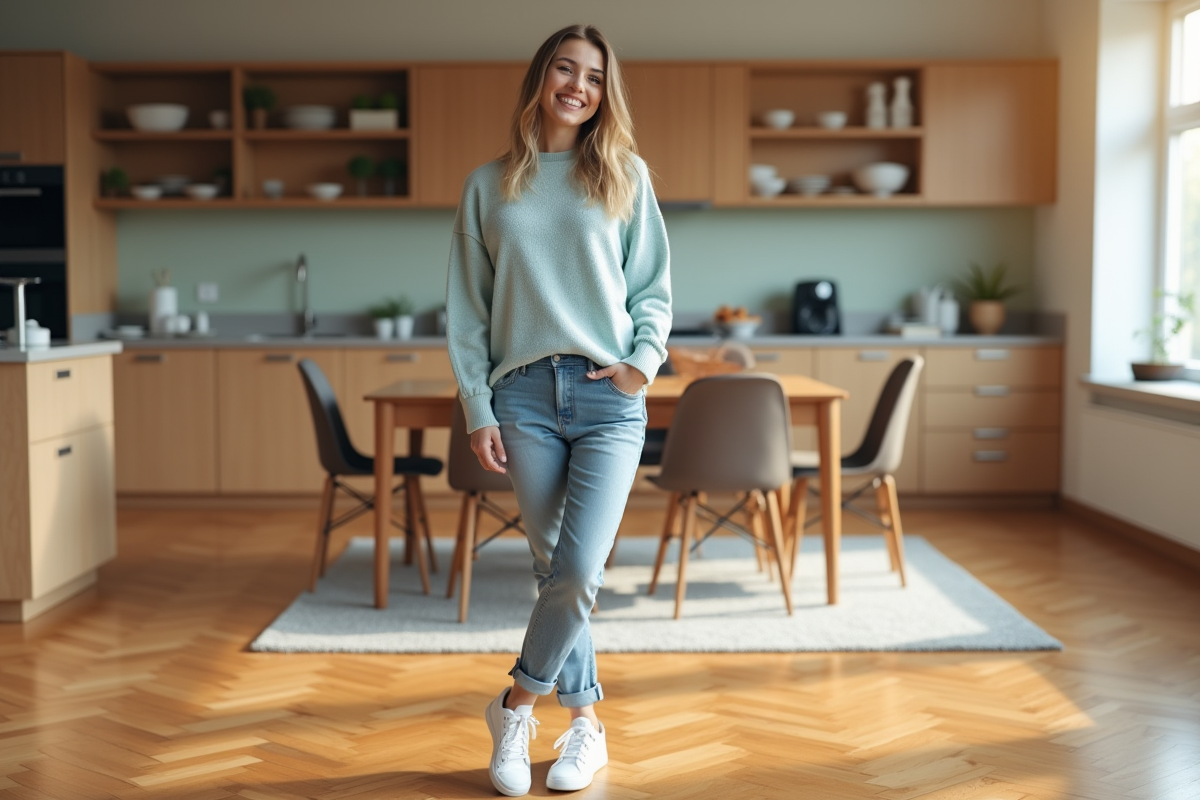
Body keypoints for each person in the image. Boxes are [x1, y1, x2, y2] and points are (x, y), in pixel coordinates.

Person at [444, 22, 671, 797]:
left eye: (595, 77)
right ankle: (585, 726)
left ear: (606, 94)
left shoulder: (624, 175)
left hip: (609, 398)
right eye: (566, 70)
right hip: (523, 397)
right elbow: (467, 312)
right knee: (555, 571)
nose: (579, 86)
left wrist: (641, 365)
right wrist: (478, 406)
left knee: (577, 570)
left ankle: (515, 707)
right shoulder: (488, 185)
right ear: (541, 78)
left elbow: (653, 289)